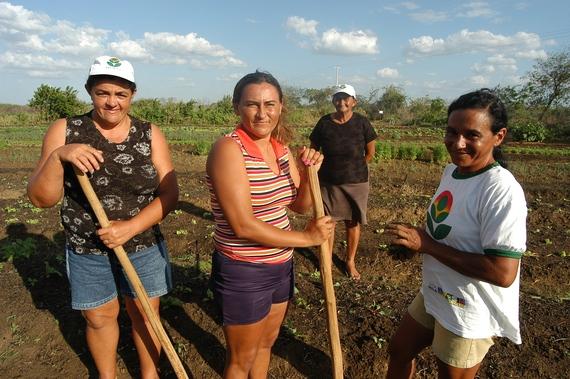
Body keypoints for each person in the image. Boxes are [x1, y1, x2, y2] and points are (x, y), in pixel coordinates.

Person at [27, 55, 179, 379]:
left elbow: (170, 194)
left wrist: (131, 228)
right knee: (100, 316)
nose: (112, 102)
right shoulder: (65, 130)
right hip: (87, 248)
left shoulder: (150, 133)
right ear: (89, 91)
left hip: (143, 243)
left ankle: (149, 375)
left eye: (120, 94)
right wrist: (59, 157)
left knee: (144, 312)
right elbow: (41, 198)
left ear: (132, 95)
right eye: (102, 93)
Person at [385, 89, 527, 379]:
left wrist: (427, 245)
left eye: (471, 135)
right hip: (437, 292)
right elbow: (448, 231)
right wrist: (415, 242)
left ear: (498, 136)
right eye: (451, 132)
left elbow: (503, 273)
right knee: (399, 350)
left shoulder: (501, 190)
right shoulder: (453, 171)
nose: (457, 143)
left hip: (468, 310)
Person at [206, 71, 333, 378]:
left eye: (269, 104)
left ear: (280, 105)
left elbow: (299, 205)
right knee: (241, 359)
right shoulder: (228, 149)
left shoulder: (279, 148)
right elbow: (242, 225)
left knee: (265, 345)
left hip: (281, 265)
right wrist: (308, 238)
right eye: (252, 104)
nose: (262, 113)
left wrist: (307, 173)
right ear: (237, 106)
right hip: (244, 269)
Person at [309, 84, 377, 280]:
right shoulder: (324, 123)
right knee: (328, 222)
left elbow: (370, 152)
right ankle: (327, 261)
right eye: (338, 98)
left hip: (356, 182)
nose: (342, 101)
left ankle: (349, 261)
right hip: (329, 182)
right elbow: (314, 151)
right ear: (333, 101)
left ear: (354, 102)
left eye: (346, 98)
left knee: (353, 222)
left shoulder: (362, 123)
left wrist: (353, 169)